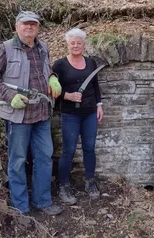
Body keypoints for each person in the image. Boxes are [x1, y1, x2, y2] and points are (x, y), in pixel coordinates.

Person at [0, 11, 63, 216]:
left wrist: (53, 78)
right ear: (16, 27)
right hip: (18, 116)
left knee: (45, 157)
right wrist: (10, 97)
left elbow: (45, 70)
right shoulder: (6, 49)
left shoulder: (43, 48)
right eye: (25, 24)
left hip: (43, 114)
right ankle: (20, 208)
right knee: (17, 160)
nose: (29, 27)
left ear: (38, 28)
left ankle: (42, 201)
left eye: (33, 25)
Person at [52, 28, 103, 204]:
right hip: (70, 114)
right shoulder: (59, 65)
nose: (76, 45)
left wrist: (99, 104)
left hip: (89, 113)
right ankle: (63, 185)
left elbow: (95, 85)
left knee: (89, 147)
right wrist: (68, 95)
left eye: (79, 42)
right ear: (68, 44)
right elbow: (52, 89)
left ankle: (90, 181)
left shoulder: (90, 63)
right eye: (72, 42)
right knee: (69, 150)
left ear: (83, 44)